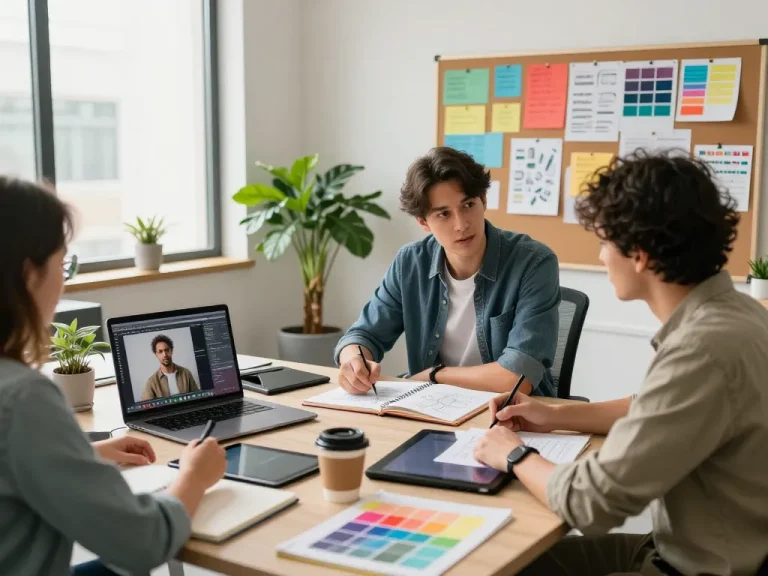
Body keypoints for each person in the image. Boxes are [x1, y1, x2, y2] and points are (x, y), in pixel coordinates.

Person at [473, 152, 768, 576]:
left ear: (641, 254)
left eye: (605, 241)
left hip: (691, 567)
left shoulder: (702, 350)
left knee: (501, 565)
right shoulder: (740, 315)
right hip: (683, 548)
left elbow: (591, 503)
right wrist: (551, 413)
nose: (600, 257)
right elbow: (651, 408)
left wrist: (516, 455)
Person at [0, 176, 227, 576]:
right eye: (63, 262)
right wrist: (194, 476)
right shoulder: (24, 399)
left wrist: (81, 456)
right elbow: (144, 542)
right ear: (30, 274)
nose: (64, 280)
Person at [335, 147, 561, 397]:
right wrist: (354, 360)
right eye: (444, 213)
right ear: (423, 223)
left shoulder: (534, 262)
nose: (461, 224)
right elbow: (363, 334)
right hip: (434, 407)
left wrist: (434, 375)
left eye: (468, 205)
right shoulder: (410, 262)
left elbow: (517, 377)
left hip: (513, 414)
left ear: (483, 201)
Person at [142, 334, 200, 400]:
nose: (165, 354)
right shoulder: (151, 382)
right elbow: (147, 407)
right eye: (160, 351)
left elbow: (197, 397)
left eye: (167, 350)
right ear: (156, 355)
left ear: (171, 351)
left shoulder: (186, 373)